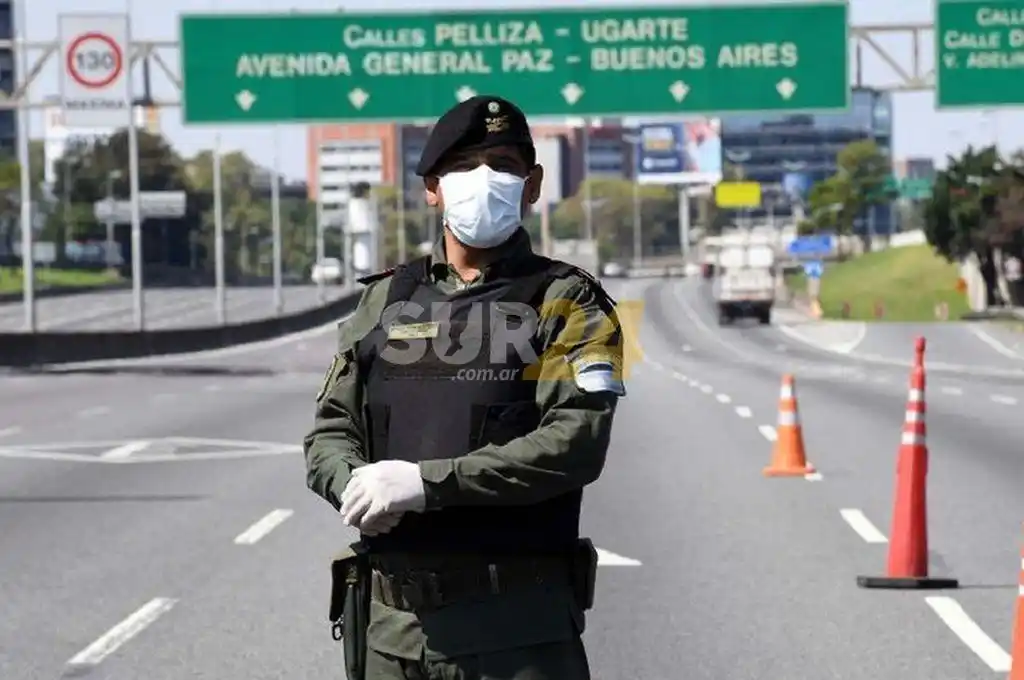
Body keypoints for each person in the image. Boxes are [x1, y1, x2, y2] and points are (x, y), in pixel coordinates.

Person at [303, 95, 627, 680]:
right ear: (433, 187)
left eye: (503, 165)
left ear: (532, 185)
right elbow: (330, 429)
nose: (484, 179)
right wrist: (351, 485)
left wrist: (426, 484)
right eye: (463, 166)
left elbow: (576, 442)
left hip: (516, 634)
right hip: (390, 636)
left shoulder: (566, 300)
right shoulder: (385, 299)